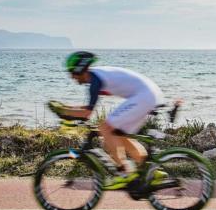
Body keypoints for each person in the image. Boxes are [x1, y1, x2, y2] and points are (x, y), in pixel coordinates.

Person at [53, 51, 165, 184]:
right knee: (121, 137)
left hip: (144, 96)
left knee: (105, 128)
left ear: (79, 69)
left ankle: (124, 173)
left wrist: (61, 110)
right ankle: (152, 171)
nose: (72, 77)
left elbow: (87, 114)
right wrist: (66, 109)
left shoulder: (95, 80)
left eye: (72, 72)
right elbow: (87, 109)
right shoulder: (95, 77)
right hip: (149, 95)